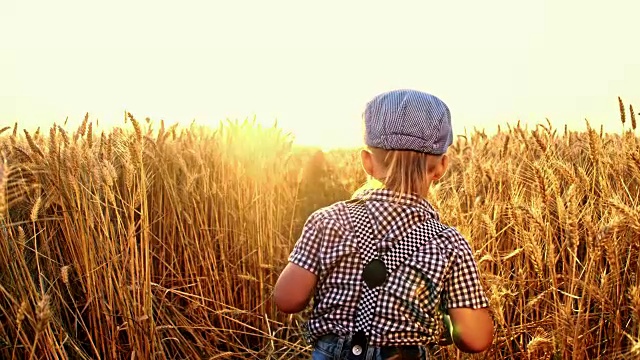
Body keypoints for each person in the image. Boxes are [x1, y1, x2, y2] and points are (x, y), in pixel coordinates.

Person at [274, 89, 494, 359]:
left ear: (367, 161)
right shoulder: (449, 243)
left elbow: (287, 299)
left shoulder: (326, 221)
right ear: (441, 167)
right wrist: (449, 319)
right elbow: (476, 338)